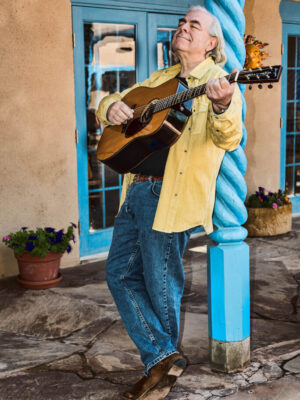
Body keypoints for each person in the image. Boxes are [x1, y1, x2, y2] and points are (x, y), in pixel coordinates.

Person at [96, 5, 242, 400]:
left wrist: (223, 105)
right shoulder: (161, 78)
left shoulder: (219, 81)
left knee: (161, 286)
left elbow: (228, 137)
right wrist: (109, 106)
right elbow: (112, 104)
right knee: (119, 273)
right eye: (182, 23)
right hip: (135, 188)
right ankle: (162, 356)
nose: (184, 28)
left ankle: (158, 373)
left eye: (194, 24)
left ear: (212, 42)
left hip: (169, 193)